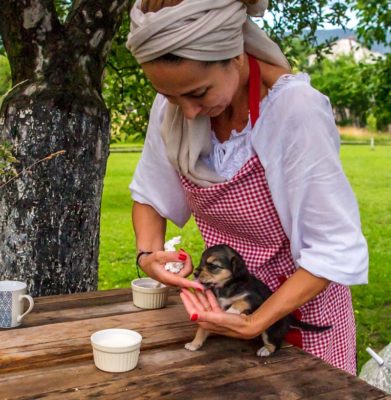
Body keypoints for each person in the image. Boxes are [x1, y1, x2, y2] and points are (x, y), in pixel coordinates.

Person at [126, 0, 368, 375]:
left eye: (198, 93)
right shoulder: (172, 109)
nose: (186, 111)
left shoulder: (293, 111)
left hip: (297, 316)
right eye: (172, 96)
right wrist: (149, 255)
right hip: (228, 310)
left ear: (234, 56)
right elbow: (150, 197)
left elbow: (333, 249)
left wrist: (257, 322)